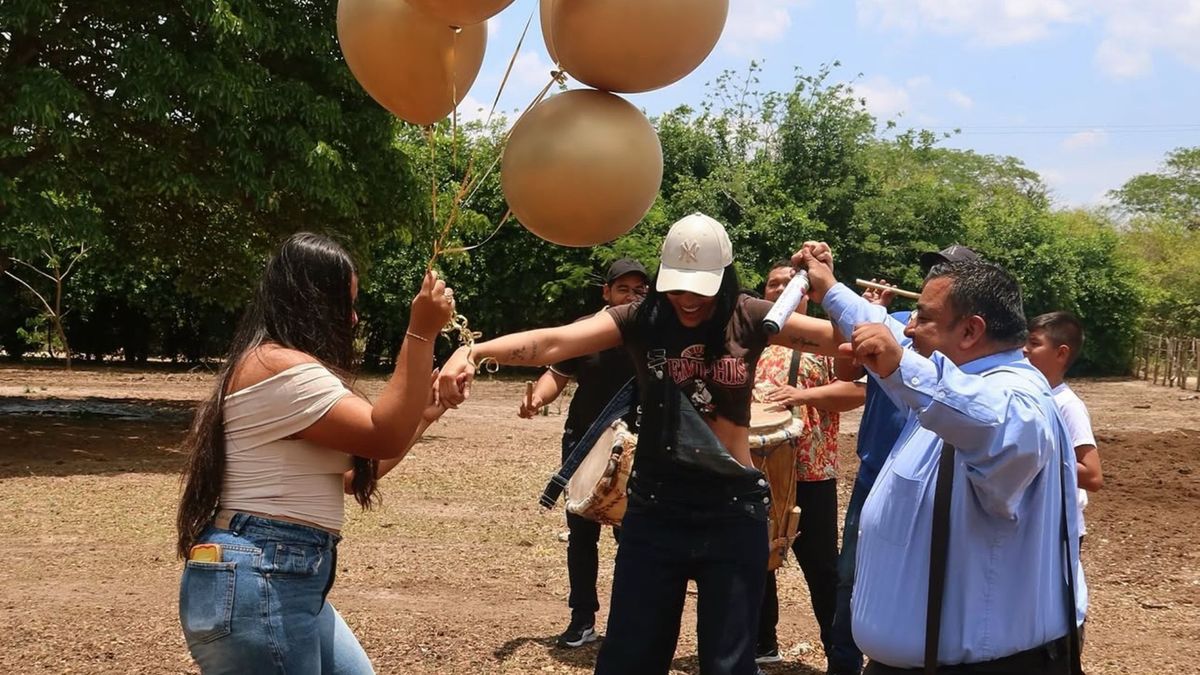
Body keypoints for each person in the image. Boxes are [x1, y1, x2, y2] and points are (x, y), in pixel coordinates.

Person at [438, 213, 841, 675]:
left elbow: (846, 343)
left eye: (700, 287)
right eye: (676, 285)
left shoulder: (747, 316)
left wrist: (828, 287)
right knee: (629, 661)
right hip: (655, 510)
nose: (686, 299)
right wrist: (472, 351)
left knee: (729, 666)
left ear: (724, 276)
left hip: (732, 510)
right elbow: (555, 342)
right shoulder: (642, 319)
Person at [799, 244, 1087, 674]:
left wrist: (900, 368)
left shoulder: (1017, 397)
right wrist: (830, 287)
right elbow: (890, 336)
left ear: (970, 331)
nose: (909, 329)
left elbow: (993, 420)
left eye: (925, 318)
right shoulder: (955, 373)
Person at [175, 232, 454, 674]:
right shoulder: (279, 367)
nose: (355, 318)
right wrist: (420, 331)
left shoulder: (277, 366)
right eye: (347, 304)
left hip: (278, 573)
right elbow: (382, 433)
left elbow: (354, 473)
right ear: (312, 300)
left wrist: (426, 414)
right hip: (263, 573)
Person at [827, 246, 979, 675]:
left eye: (946, 272)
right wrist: (868, 317)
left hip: (933, 482)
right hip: (875, 470)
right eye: (932, 269)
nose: (933, 275)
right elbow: (846, 373)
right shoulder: (896, 324)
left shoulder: (967, 349)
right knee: (850, 578)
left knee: (918, 579)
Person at [518, 258, 648, 648]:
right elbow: (556, 375)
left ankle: (632, 621)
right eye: (622, 288)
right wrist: (536, 401)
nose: (631, 295)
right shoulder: (584, 330)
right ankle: (582, 618)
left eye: (639, 289)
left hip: (635, 446)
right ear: (606, 292)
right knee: (581, 535)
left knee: (634, 538)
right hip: (584, 442)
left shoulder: (652, 332)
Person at [753, 261, 865, 667]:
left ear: (806, 294)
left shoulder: (830, 340)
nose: (780, 289)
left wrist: (802, 397)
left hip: (811, 471)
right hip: (754, 469)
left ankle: (840, 657)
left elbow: (857, 392)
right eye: (773, 284)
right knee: (755, 560)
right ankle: (762, 646)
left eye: (790, 284)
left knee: (821, 569)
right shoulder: (749, 340)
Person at [1024, 311, 1103, 544]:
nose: (1024, 349)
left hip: (1060, 527)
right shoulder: (1032, 397)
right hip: (1037, 521)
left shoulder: (1068, 406)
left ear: (1061, 353)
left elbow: (1093, 475)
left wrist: (1034, 458)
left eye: (1035, 343)